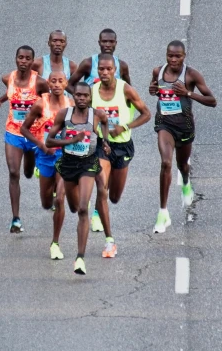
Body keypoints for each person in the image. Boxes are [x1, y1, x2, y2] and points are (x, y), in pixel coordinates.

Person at [149, 41, 216, 233]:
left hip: (185, 127)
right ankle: (163, 213)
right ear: (166, 55)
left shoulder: (191, 75)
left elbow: (212, 101)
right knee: (166, 163)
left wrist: (187, 93)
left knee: (182, 165)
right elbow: (155, 89)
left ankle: (186, 182)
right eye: (170, 55)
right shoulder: (158, 72)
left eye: (177, 56)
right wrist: (153, 90)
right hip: (164, 124)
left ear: (184, 56)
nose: (173, 59)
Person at [68, 28, 132, 232]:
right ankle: (93, 211)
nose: (107, 44)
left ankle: (96, 208)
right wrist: (83, 101)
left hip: (118, 134)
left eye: (111, 41)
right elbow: (72, 84)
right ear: (98, 42)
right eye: (104, 41)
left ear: (116, 43)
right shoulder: (89, 63)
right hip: (94, 129)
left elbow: (129, 92)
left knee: (113, 194)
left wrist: (124, 120)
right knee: (98, 177)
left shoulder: (122, 65)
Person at [45, 82, 110, 275]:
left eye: (85, 96)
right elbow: (49, 140)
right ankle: (54, 242)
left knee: (83, 209)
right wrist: (71, 140)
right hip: (67, 165)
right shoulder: (64, 115)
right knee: (66, 203)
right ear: (74, 97)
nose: (82, 98)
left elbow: (105, 123)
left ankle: (80, 258)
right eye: (78, 95)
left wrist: (104, 141)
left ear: (90, 98)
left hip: (88, 164)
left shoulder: (97, 115)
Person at [91, 54, 151, 258]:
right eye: (101, 69)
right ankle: (109, 242)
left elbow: (146, 114)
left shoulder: (125, 89)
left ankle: (103, 205)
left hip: (123, 147)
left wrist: (124, 126)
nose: (105, 73)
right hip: (103, 146)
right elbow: (86, 114)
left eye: (108, 69)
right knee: (101, 189)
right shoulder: (93, 91)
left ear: (115, 70)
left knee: (114, 197)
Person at [0, 45, 49, 233]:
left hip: (34, 135)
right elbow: (11, 92)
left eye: (27, 58)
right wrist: (0, 101)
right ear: (16, 59)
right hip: (14, 132)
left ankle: (32, 163)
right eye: (20, 58)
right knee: (14, 173)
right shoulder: (8, 78)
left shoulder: (40, 83)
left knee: (27, 172)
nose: (23, 61)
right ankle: (15, 219)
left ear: (33, 62)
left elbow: (49, 103)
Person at [20, 70, 74, 260]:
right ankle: (43, 181)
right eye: (53, 81)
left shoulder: (72, 105)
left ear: (66, 83)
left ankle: (55, 243)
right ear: (48, 84)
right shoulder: (40, 104)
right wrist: (42, 145)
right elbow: (24, 128)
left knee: (60, 199)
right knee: (46, 203)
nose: (57, 84)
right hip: (44, 156)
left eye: (61, 81)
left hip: (64, 156)